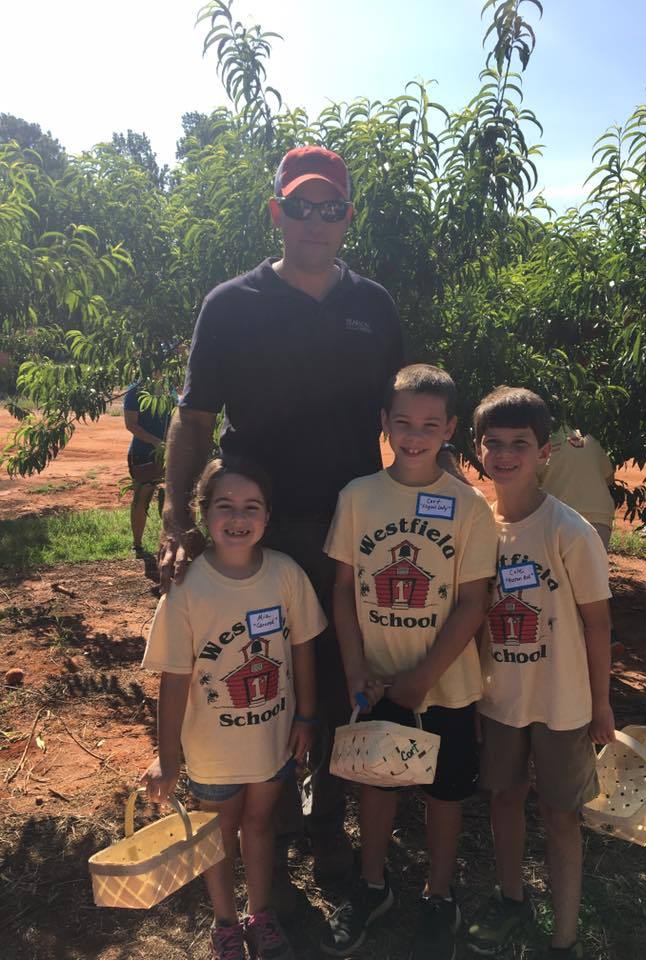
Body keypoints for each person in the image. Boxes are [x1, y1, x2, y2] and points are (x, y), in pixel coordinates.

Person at [158, 145, 403, 898]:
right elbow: (195, 419)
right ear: (277, 213)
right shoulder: (231, 304)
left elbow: (400, 420)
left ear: (347, 219)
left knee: (334, 685)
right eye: (300, 206)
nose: (315, 221)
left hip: (348, 529)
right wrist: (175, 516)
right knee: (247, 676)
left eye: (330, 208)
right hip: (255, 527)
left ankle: (326, 831)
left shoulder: (375, 306)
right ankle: (258, 818)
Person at [320, 365, 497, 960]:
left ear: (449, 428)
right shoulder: (359, 496)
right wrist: (353, 668)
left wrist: (423, 678)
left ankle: (438, 895)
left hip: (446, 684)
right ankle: (374, 887)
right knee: (377, 782)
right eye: (403, 423)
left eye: (429, 424)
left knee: (445, 794)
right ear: (384, 425)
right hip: (376, 678)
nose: (415, 435)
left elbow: (473, 601)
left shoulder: (470, 508)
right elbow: (344, 590)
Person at [141, 457, 326, 960]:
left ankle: (260, 913)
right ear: (204, 513)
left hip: (272, 741)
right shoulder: (186, 589)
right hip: (212, 752)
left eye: (251, 506)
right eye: (225, 506)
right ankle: (225, 922)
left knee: (261, 825)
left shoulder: (285, 576)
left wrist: (307, 715)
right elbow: (173, 680)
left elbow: (304, 648)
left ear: (268, 515)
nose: (238, 517)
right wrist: (168, 755)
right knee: (217, 832)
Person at [468, 386, 615, 960]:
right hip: (499, 698)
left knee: (561, 815)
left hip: (563, 702)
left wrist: (600, 703)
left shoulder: (569, 531)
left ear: (544, 450)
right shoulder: (477, 526)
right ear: (479, 448)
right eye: (494, 444)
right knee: (504, 798)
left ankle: (565, 936)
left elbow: (597, 625)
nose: (505, 455)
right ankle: (511, 898)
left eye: (519, 445)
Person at [539, 426, 615, 550]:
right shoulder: (589, 438)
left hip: (560, 516)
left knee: (556, 567)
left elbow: (526, 486)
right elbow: (610, 479)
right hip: (599, 516)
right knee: (593, 568)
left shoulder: (540, 442)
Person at [124, 377, 173, 557]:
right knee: (141, 497)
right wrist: (157, 442)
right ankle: (137, 545)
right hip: (143, 453)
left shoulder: (170, 389)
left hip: (168, 453)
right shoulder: (135, 391)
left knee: (174, 498)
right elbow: (130, 424)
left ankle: (172, 542)